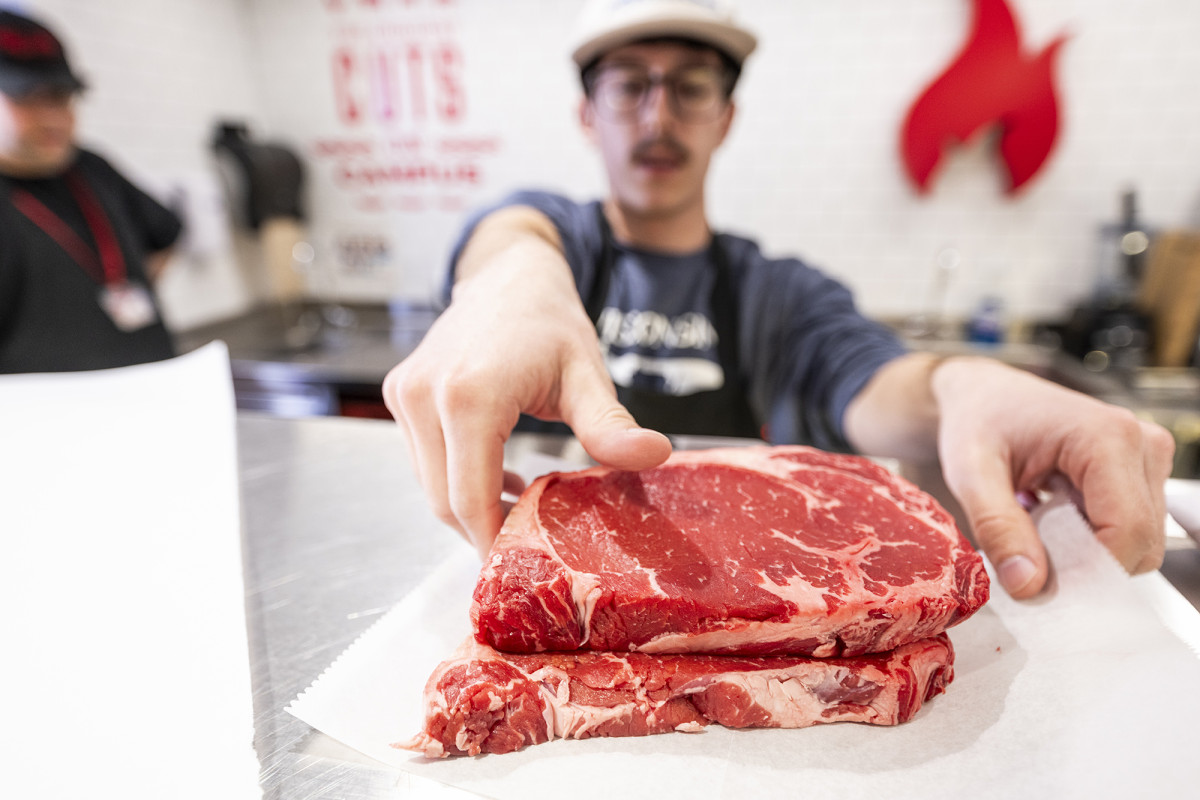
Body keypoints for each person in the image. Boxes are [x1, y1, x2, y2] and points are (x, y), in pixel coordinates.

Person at [384, 0, 1174, 599]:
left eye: (691, 89)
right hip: (554, 588)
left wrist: (958, 386)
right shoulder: (559, 241)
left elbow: (871, 382)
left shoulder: (780, 292)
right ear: (587, 116)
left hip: (722, 589)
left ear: (726, 120)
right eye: (629, 87)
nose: (659, 116)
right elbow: (509, 237)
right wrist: (511, 276)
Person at [0, 8, 182, 373]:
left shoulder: (90, 167)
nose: (54, 118)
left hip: (155, 392)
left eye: (61, 97)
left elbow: (164, 235)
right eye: (27, 99)